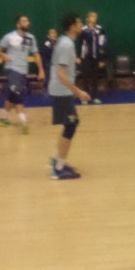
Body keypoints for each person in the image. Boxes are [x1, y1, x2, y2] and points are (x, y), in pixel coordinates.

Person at [48, 13, 91, 180]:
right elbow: (61, 73)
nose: (81, 25)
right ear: (72, 26)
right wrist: (78, 92)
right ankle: (59, 169)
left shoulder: (64, 41)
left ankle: (59, 161)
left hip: (60, 90)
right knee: (71, 125)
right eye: (79, 23)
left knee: (69, 125)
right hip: (61, 91)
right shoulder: (67, 44)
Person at [0, 15, 45, 133]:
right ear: (18, 24)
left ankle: (3, 118)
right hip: (11, 69)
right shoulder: (9, 36)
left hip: (23, 71)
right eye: (24, 21)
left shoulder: (31, 38)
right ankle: (23, 122)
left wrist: (41, 70)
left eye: (27, 20)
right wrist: (3, 55)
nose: (27, 22)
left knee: (13, 95)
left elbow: (36, 54)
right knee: (16, 92)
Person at [79, 11, 107, 104]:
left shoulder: (100, 29)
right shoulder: (83, 29)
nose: (94, 18)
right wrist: (78, 57)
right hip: (85, 57)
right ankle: (85, 98)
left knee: (95, 78)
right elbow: (79, 43)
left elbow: (102, 44)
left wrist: (101, 59)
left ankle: (95, 97)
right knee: (85, 78)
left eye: (95, 17)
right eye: (92, 17)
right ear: (88, 18)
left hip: (96, 57)